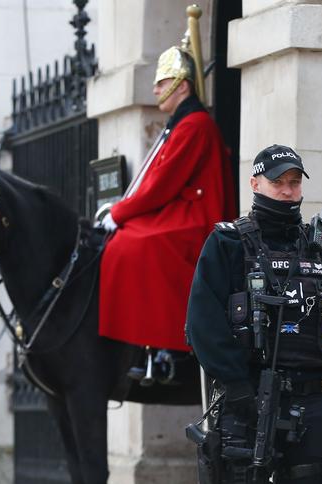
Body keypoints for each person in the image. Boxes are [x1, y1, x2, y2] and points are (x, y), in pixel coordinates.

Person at [185, 144, 322, 484]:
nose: (287, 190)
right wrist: (236, 384)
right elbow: (202, 324)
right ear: (255, 184)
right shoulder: (227, 244)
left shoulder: (321, 248)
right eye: (278, 181)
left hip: (314, 402)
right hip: (248, 401)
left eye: (294, 182)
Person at [98, 45, 236, 380]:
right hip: (184, 208)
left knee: (136, 244)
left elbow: (161, 184)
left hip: (200, 217)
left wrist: (120, 212)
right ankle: (145, 344)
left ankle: (167, 347)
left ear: (183, 86)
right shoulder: (181, 124)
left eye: (163, 82)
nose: (156, 89)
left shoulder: (194, 126)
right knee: (125, 241)